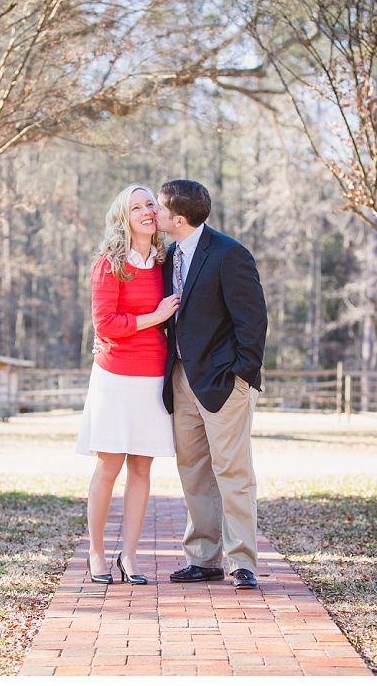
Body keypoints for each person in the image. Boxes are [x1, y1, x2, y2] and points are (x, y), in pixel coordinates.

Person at [153, 179, 268, 590]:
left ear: (178, 219)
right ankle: (203, 559)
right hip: (181, 379)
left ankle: (243, 562)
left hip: (224, 382)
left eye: (160, 209)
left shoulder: (229, 254)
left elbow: (253, 323)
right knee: (194, 472)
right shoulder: (166, 258)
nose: (154, 213)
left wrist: (241, 377)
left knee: (233, 472)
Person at [73, 184, 180, 585]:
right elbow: (106, 326)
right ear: (124, 217)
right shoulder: (109, 264)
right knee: (110, 465)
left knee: (141, 467)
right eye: (137, 207)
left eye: (150, 203)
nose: (146, 211)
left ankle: (130, 556)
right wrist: (153, 317)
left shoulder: (167, 262)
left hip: (154, 376)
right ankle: (96, 553)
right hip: (115, 378)